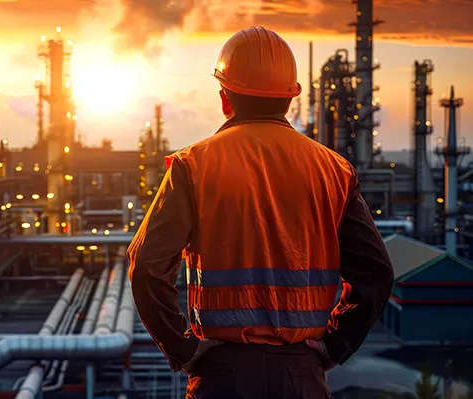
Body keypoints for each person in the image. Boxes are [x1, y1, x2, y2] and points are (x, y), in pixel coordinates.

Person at [127, 26, 395, 399]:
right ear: (289, 98)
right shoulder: (334, 170)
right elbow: (376, 273)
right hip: (301, 375)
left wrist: (183, 348)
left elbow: (146, 266)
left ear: (225, 98)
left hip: (222, 375)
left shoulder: (194, 166)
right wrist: (336, 345)